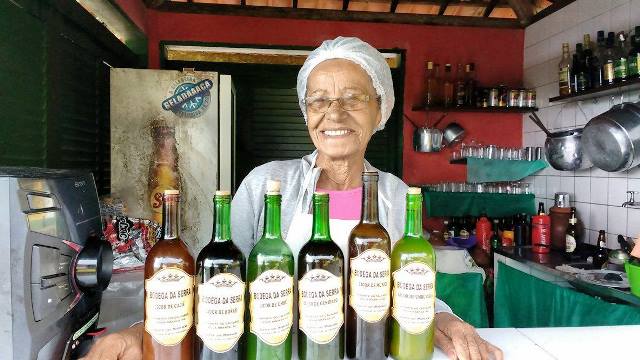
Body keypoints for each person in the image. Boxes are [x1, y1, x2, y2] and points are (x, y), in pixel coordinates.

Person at [84, 36, 502, 360]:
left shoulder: (393, 193)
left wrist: (448, 322)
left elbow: (413, 287)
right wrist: (141, 332)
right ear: (306, 113)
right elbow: (216, 287)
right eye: (318, 100)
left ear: (381, 109)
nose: (333, 114)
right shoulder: (267, 185)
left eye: (352, 98)